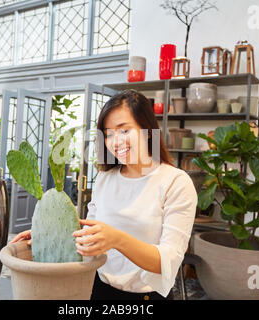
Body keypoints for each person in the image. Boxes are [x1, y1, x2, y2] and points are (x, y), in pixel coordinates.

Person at [10, 89, 197, 300]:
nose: (116, 141)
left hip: (146, 297)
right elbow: (91, 236)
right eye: (108, 134)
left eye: (124, 130)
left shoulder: (175, 182)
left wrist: (117, 239)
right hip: (96, 287)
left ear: (148, 130)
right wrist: (50, 233)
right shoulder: (105, 178)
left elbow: (169, 260)